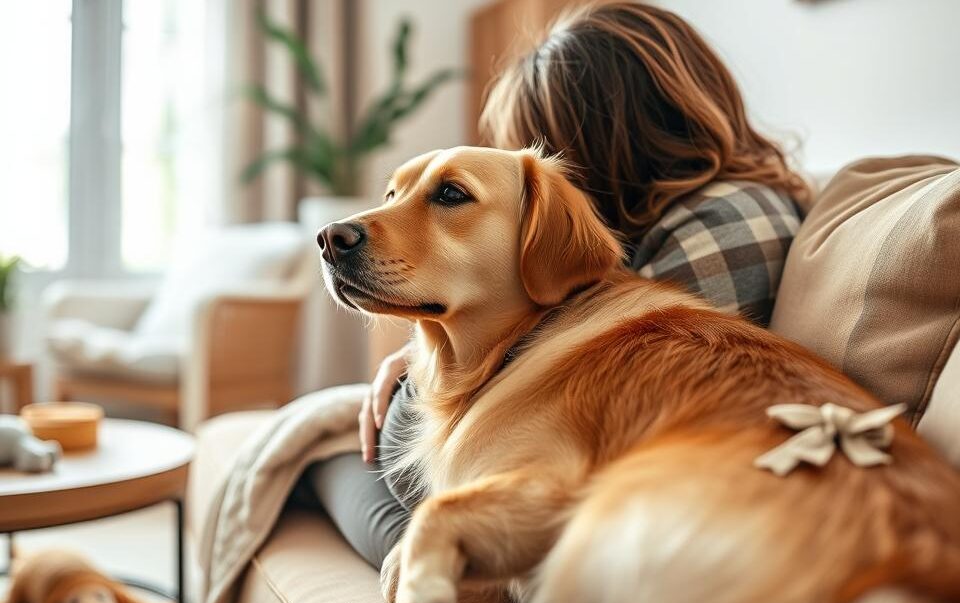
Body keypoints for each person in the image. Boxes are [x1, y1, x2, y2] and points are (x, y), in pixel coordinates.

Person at [302, 2, 810, 569]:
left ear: (600, 147)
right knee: (334, 447)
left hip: (581, 511)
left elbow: (614, 386)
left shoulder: (726, 223)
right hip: (542, 481)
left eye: (541, 142)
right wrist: (416, 353)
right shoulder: (664, 219)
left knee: (335, 459)